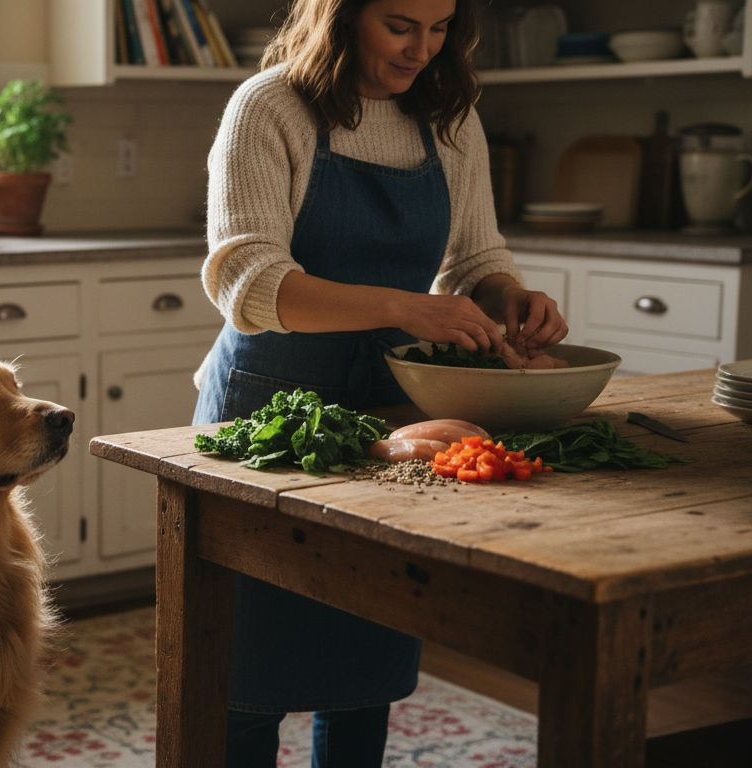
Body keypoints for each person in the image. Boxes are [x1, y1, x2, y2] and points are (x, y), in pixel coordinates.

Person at [191, 0, 568, 765]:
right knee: (242, 665)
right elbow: (250, 283)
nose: (422, 50)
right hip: (267, 411)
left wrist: (506, 296)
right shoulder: (269, 108)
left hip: (394, 416)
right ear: (341, 15)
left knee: (366, 651)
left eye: (439, 29)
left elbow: (473, 257)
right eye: (400, 25)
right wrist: (407, 307)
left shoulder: (449, 119)